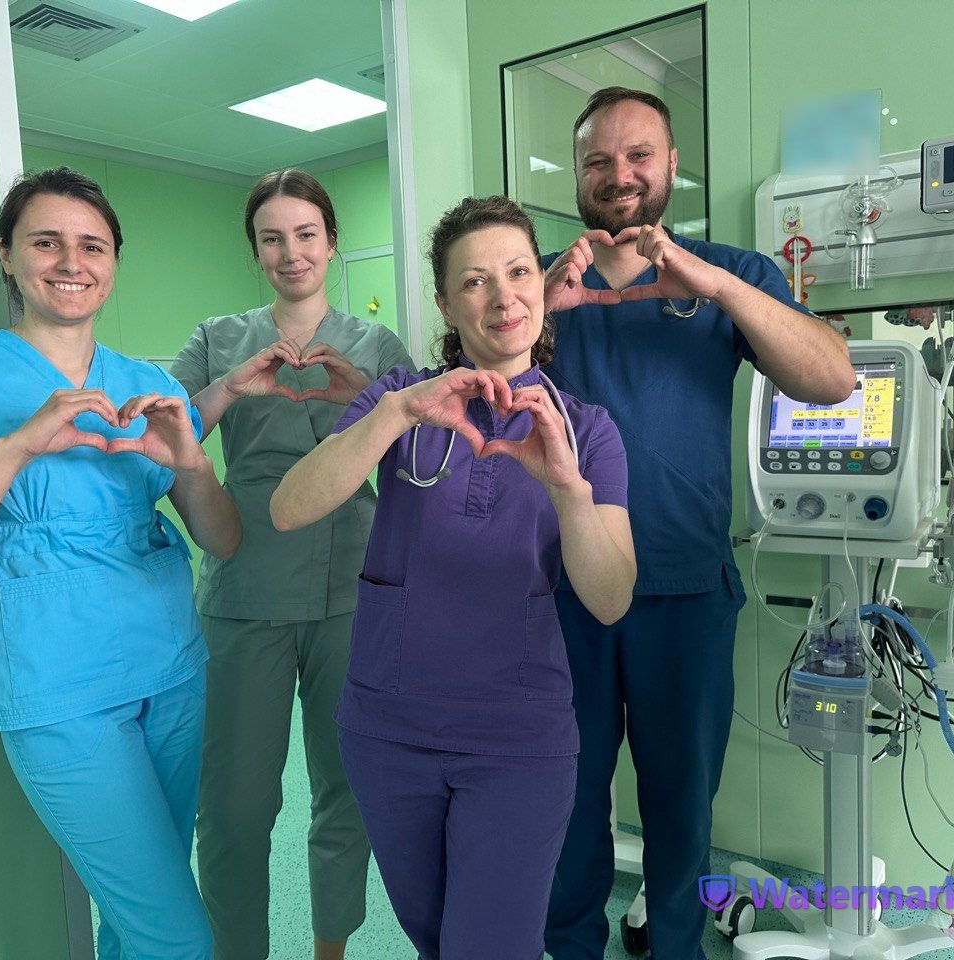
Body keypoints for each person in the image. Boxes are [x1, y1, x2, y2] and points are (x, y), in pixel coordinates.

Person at [0, 167, 241, 960]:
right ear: (7, 254)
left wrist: (192, 465)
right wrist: (13, 448)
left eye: (92, 246)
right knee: (178, 938)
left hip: (172, 668)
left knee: (141, 919)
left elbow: (224, 539)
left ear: (113, 262)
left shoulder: (147, 383)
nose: (72, 261)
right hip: (59, 689)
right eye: (46, 242)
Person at [271, 195, 637, 960]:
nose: (503, 297)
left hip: (517, 738)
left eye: (518, 272)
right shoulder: (400, 402)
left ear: (541, 285)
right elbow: (289, 508)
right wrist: (396, 413)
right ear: (444, 302)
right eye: (475, 281)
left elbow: (609, 599)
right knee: (436, 942)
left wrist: (568, 491)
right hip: (388, 729)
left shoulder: (586, 431)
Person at [539, 88, 857, 960]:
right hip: (558, 595)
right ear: (577, 175)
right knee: (563, 806)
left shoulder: (730, 272)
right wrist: (540, 313)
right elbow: (465, 394)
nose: (620, 175)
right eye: (598, 160)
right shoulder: (538, 282)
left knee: (683, 812)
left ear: (672, 165)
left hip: (684, 590)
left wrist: (711, 285)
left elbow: (832, 379)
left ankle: (676, 945)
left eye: (639, 155)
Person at [169, 169, 414, 960]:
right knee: (235, 806)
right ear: (255, 251)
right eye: (271, 238)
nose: (291, 252)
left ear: (332, 243)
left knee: (347, 791)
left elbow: (421, 459)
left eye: (306, 234)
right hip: (246, 588)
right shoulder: (216, 338)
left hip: (353, 588)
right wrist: (232, 387)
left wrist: (365, 394)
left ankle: (329, 951)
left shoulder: (377, 345)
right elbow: (165, 437)